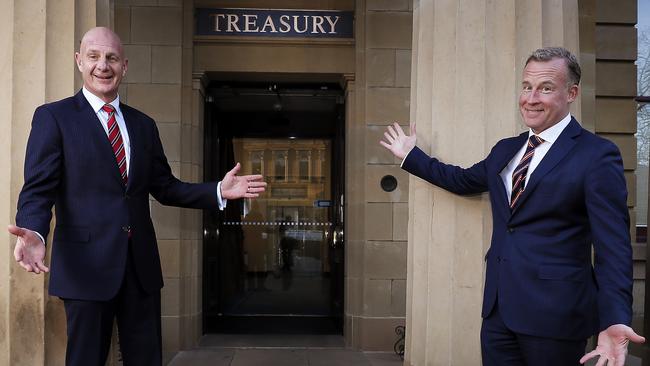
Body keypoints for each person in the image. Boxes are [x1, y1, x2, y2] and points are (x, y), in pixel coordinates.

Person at [7, 27, 266, 366]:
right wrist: (35, 230)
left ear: (124, 66)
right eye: (94, 57)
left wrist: (217, 190)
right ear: (79, 62)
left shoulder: (143, 125)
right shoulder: (54, 117)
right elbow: (38, 188)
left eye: (112, 58)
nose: (103, 65)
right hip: (85, 268)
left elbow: (166, 187)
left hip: (140, 269)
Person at [381, 47, 644, 365]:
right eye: (526, 86)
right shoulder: (507, 149)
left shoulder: (597, 155)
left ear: (571, 93)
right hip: (498, 313)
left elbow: (613, 247)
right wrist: (412, 156)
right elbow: (462, 180)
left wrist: (614, 317)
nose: (531, 98)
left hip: (556, 316)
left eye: (545, 88)